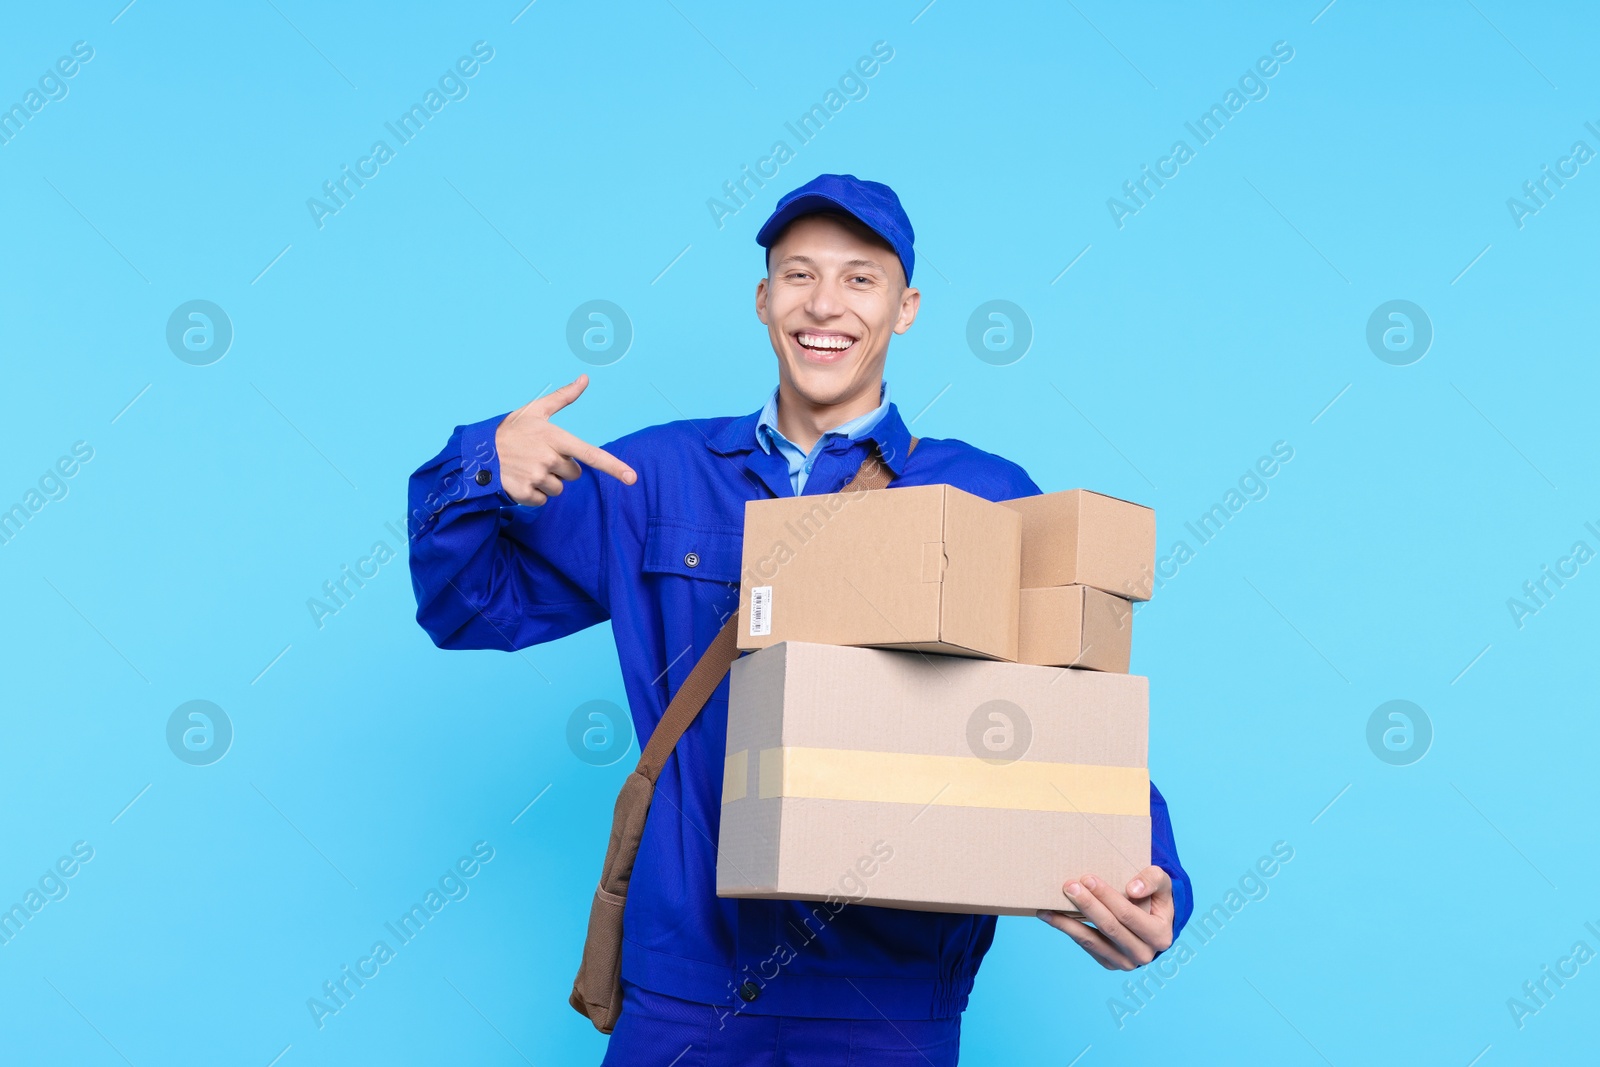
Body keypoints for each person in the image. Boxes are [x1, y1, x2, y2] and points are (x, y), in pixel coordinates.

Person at [407, 174, 1193, 1065]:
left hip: (887, 1001)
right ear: (763, 298)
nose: (826, 304)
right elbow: (468, 608)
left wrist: (1153, 875)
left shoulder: (981, 494)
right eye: (799, 275)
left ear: (907, 307)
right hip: (686, 992)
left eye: (861, 279)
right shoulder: (652, 477)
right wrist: (478, 469)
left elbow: (1073, 720)